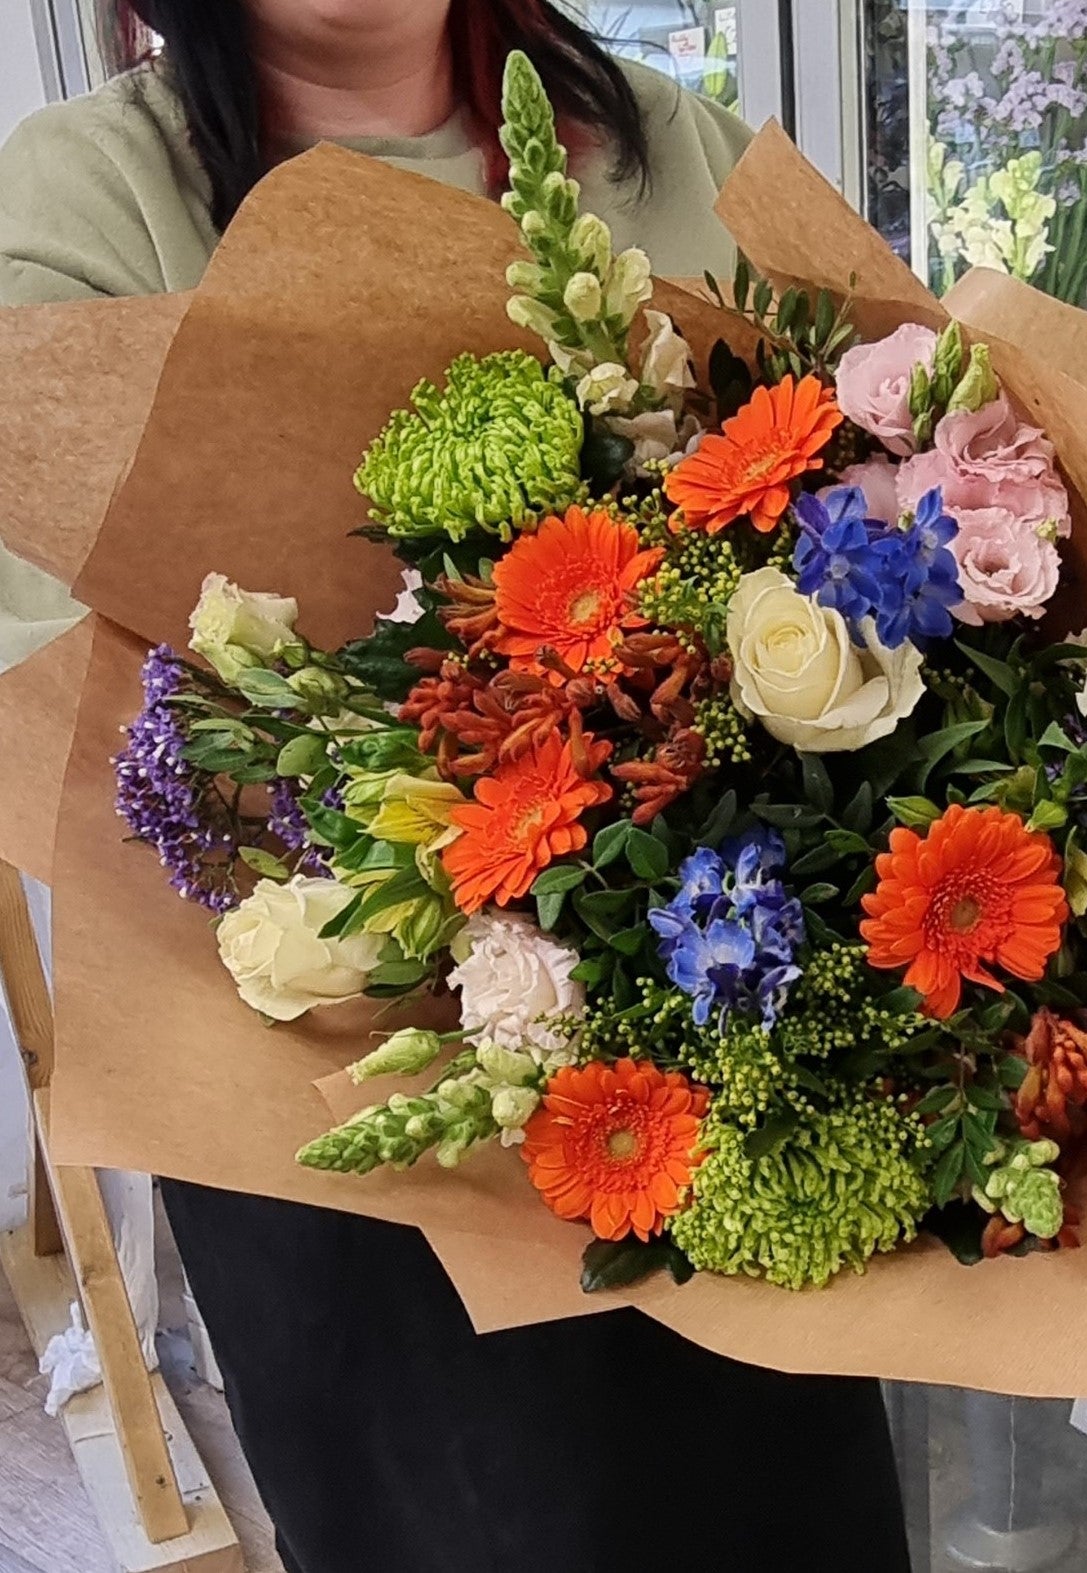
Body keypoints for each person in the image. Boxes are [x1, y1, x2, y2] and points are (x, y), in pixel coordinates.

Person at [0, 6, 914, 1571]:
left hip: (740, 1028)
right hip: (356, 1112)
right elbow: (59, 685)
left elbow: (884, 433)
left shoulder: (655, 135)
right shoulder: (85, 207)